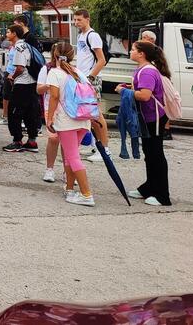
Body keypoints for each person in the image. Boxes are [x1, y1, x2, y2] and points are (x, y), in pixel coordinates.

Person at [116, 41, 172, 206]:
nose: (130, 51)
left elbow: (145, 96)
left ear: (141, 54)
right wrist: (128, 88)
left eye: (133, 49)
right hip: (148, 117)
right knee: (150, 153)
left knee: (156, 154)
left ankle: (162, 195)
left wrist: (124, 91)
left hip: (154, 118)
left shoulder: (147, 71)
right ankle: (149, 187)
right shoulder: (143, 69)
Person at [44, 41, 95, 207]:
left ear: (55, 55)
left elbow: (54, 97)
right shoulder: (78, 72)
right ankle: (69, 189)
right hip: (83, 118)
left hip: (66, 120)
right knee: (70, 154)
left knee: (72, 157)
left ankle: (87, 194)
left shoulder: (55, 73)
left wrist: (50, 118)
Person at [74, 10, 111, 162]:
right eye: (75, 20)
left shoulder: (92, 35)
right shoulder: (80, 35)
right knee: (89, 115)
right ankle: (97, 146)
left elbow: (101, 60)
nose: (76, 23)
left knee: (96, 115)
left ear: (87, 19)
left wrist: (90, 77)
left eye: (79, 20)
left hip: (91, 80)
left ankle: (105, 149)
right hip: (82, 79)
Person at [2, 25, 40, 153]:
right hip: (32, 82)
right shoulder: (27, 45)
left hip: (22, 83)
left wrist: (12, 77)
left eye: (8, 31)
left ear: (14, 34)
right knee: (31, 112)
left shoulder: (18, 47)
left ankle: (17, 140)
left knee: (14, 112)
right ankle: (32, 140)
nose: (7, 34)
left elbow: (20, 68)